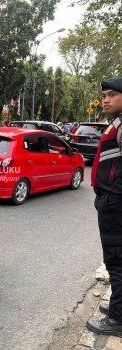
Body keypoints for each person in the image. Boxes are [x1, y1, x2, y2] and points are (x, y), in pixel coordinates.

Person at [87, 77, 122, 337]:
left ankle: (118, 320)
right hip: (111, 202)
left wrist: (114, 195)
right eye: (104, 95)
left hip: (116, 204)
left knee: (117, 261)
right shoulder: (117, 123)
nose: (106, 99)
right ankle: (118, 309)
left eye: (112, 94)